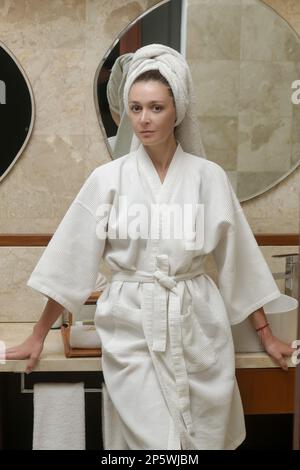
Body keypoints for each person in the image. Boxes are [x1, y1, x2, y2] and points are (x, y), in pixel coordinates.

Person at [5, 44, 296, 450]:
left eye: (156, 108)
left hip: (198, 327)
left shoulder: (208, 178)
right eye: (136, 108)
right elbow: (72, 260)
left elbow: (239, 261)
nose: (144, 119)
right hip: (131, 329)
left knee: (202, 440)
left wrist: (267, 336)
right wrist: (38, 334)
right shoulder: (108, 179)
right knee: (151, 444)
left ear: (178, 110)